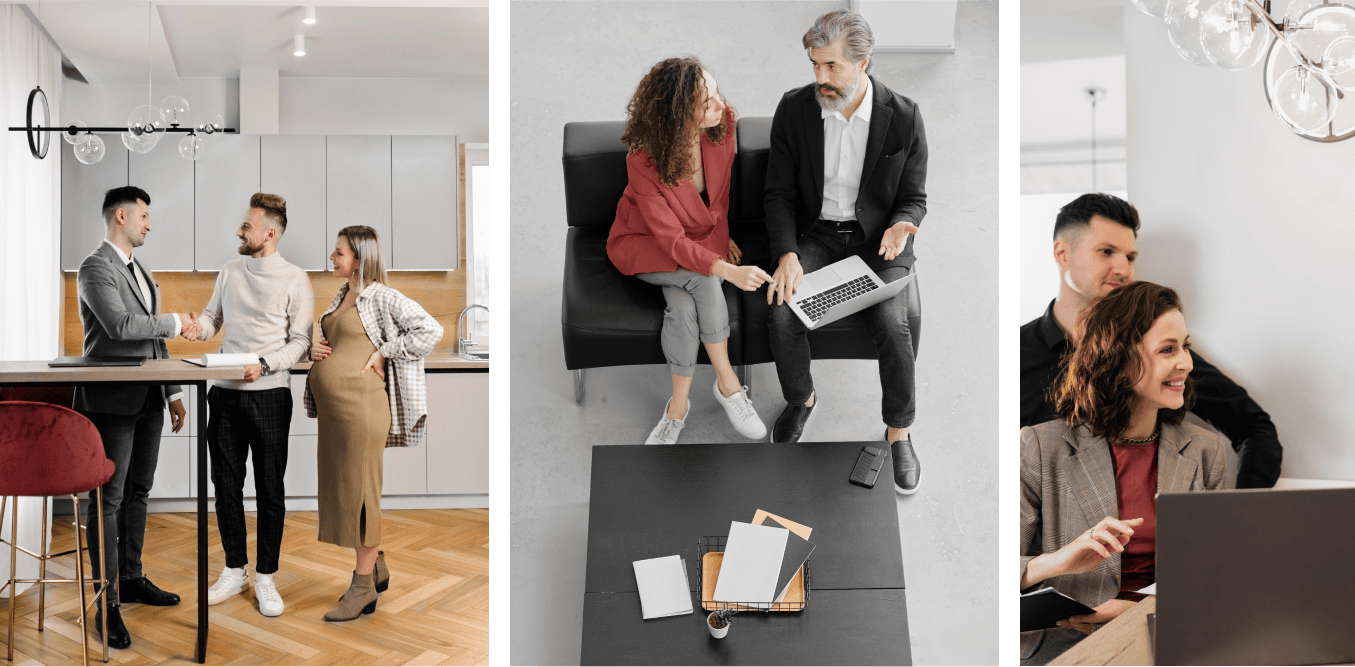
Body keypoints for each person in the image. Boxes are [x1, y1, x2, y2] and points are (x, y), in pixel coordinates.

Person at [1019, 281, 1230, 665]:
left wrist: (1143, 613)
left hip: (1172, 635)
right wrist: (1058, 561)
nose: (1186, 362)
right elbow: (992, 570)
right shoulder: (1038, 446)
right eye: (1168, 349)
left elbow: (1217, 576)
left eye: (1185, 346)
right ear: (1117, 360)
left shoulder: (1205, 451)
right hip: (1064, 641)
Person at [763, 9, 928, 494]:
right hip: (815, 234)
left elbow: (914, 198)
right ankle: (802, 399)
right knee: (781, 315)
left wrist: (904, 225)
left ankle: (899, 430)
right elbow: (778, 194)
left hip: (880, 240)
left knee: (892, 327)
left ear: (864, 63)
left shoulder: (905, 116)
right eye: (815, 64)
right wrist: (787, 254)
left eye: (832, 66)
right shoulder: (794, 109)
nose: (820, 77)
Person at [1018, 193, 1283, 488]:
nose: (1122, 269)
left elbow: (1254, 427)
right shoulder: (1010, 357)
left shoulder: (1163, 357)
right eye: (1106, 251)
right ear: (1062, 254)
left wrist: (1243, 511)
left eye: (1130, 257)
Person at [606, 57, 773, 445]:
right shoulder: (643, 161)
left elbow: (721, 196)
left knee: (682, 308)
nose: (721, 106)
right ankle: (728, 385)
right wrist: (724, 270)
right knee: (705, 279)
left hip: (700, 237)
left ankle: (676, 409)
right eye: (707, 103)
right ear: (679, 115)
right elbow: (669, 240)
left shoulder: (722, 125)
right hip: (643, 243)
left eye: (717, 94)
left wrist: (721, 236)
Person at [74, 185, 200, 648]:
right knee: (108, 500)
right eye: (144, 215)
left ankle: (131, 577)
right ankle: (105, 603)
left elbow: (152, 343)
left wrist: (172, 393)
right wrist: (174, 319)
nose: (149, 223)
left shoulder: (139, 271)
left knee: (139, 492)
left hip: (148, 400)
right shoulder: (94, 267)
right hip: (110, 401)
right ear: (121, 217)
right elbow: (121, 328)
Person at [305, 225, 443, 621]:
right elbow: (343, 342)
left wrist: (386, 351)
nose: (332, 259)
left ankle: (363, 587)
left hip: (361, 410)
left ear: (360, 259)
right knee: (346, 491)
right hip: (337, 413)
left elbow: (430, 329)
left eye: (339, 254)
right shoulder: (343, 294)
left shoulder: (381, 295)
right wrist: (317, 348)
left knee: (362, 493)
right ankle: (375, 562)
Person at [192, 193, 314, 617]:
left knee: (269, 491)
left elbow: (300, 343)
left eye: (247, 225)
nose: (240, 231)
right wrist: (197, 326)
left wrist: (263, 366)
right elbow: (213, 320)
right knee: (225, 490)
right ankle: (234, 569)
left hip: (270, 396)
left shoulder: (295, 278)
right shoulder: (229, 271)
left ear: (270, 232)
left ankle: (265, 577)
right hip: (224, 394)